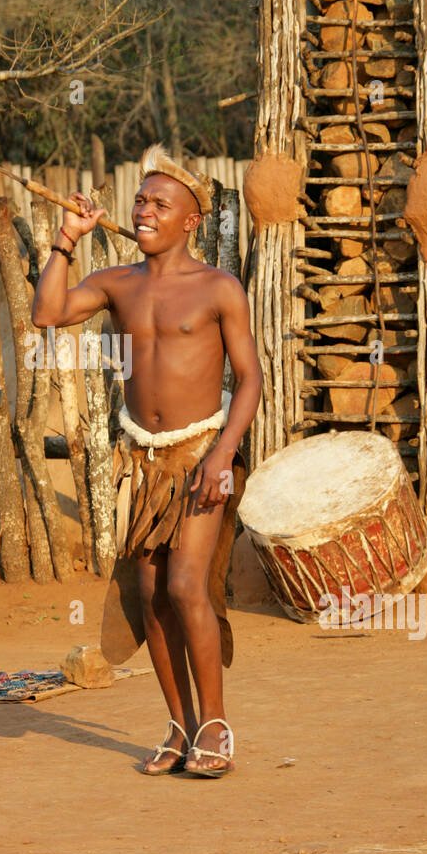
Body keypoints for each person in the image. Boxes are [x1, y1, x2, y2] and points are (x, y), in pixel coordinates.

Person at [31, 144, 262, 778]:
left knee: (188, 585)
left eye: (161, 204)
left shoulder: (218, 287)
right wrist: (66, 239)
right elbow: (46, 314)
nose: (144, 211)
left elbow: (249, 380)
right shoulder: (117, 283)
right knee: (152, 592)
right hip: (144, 461)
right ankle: (180, 726)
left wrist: (222, 454)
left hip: (199, 454)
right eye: (139, 200)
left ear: (192, 220)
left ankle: (215, 725)